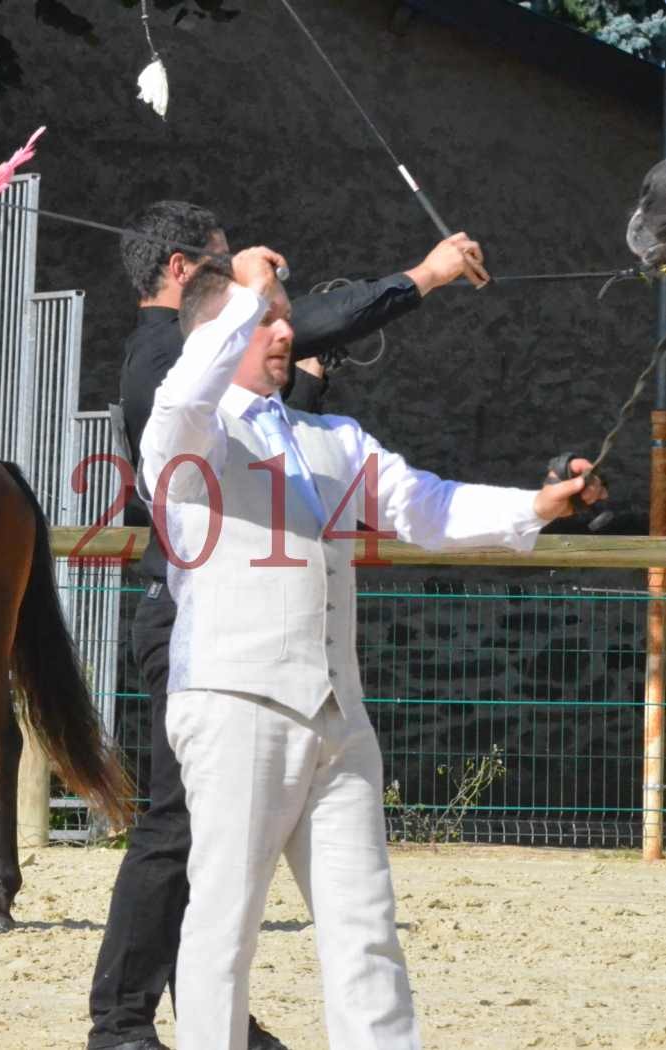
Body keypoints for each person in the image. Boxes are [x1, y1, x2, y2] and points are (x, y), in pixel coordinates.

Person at [140, 246, 601, 1050]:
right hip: (234, 703)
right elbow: (187, 388)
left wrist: (534, 505)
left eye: (283, 314)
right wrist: (246, 293)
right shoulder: (187, 433)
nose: (284, 329)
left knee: (364, 927)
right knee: (223, 924)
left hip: (336, 712)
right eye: (266, 317)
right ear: (218, 328)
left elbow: (425, 506)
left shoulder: (336, 438)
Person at [91, 200, 490, 1050]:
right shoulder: (171, 357)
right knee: (176, 827)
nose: (251, 276)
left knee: (208, 836)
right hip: (200, 624)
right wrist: (423, 275)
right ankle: (121, 1020)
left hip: (266, 634)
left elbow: (293, 368)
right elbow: (304, 324)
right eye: (225, 259)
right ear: (182, 274)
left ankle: (187, 1016)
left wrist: (294, 351)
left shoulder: (220, 347)